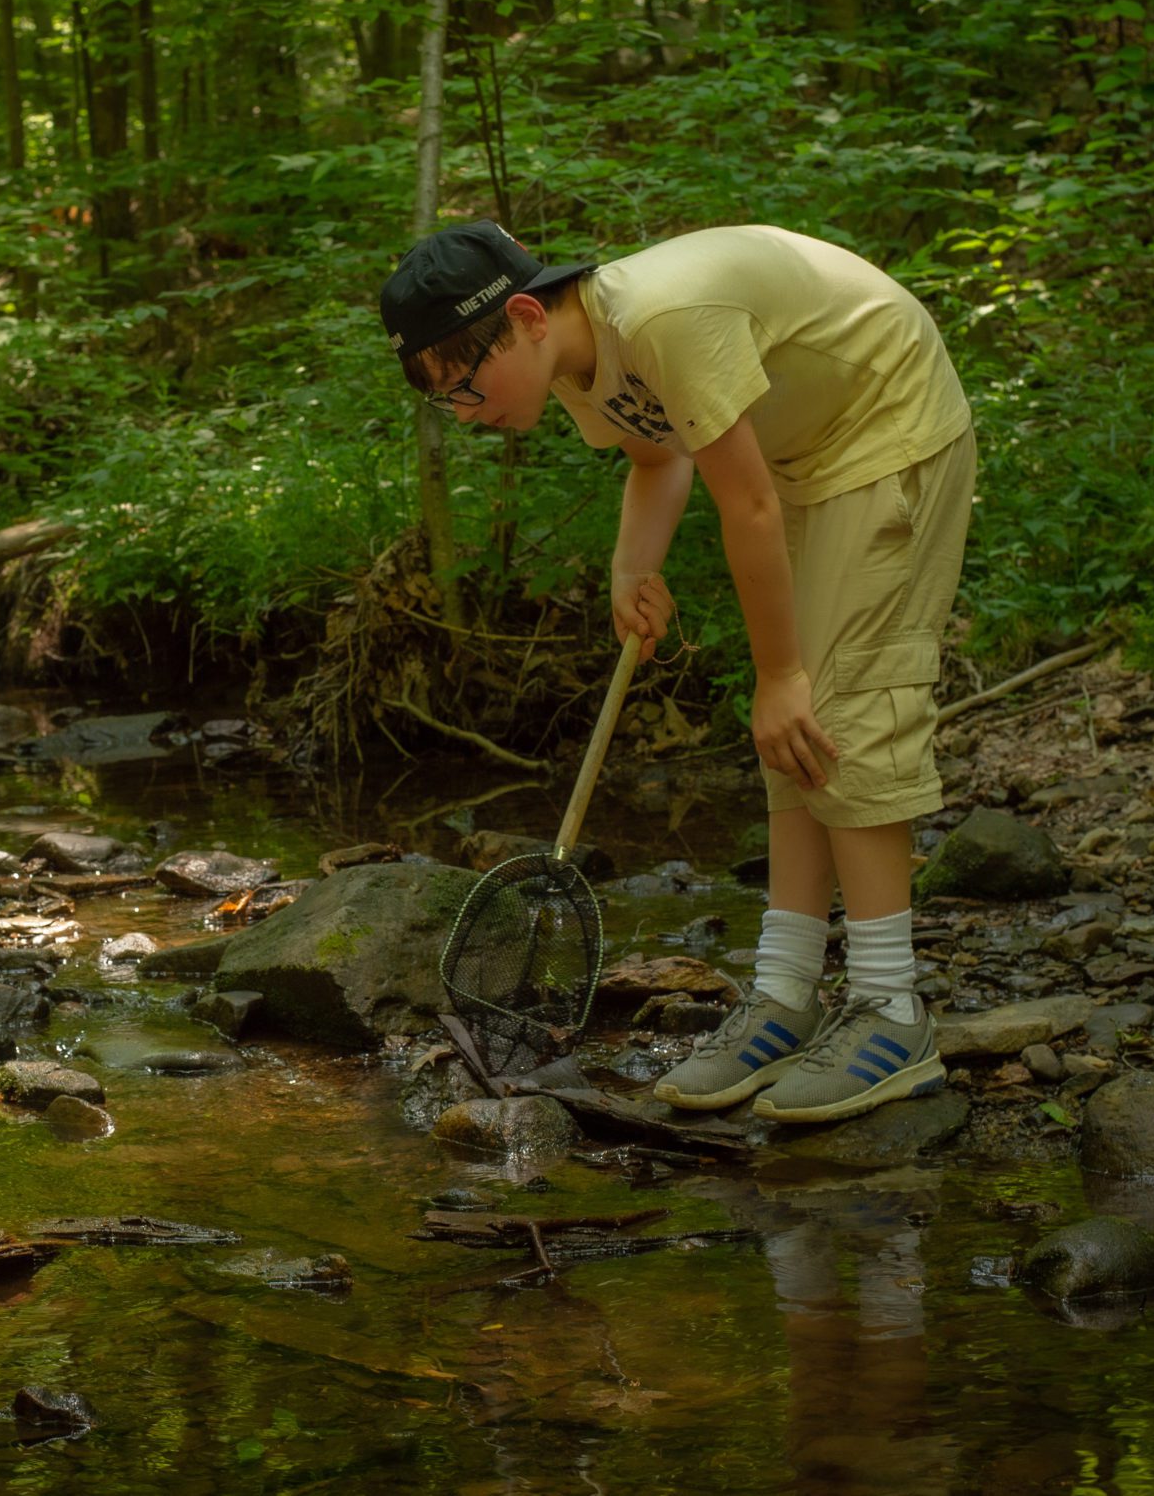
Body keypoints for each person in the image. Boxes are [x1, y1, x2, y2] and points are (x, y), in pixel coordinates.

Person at [379, 219, 974, 1122]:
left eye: (465, 384)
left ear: (528, 317)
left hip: (887, 427)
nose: (465, 413)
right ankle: (784, 993)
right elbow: (661, 453)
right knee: (790, 733)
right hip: (808, 458)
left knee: (838, 708)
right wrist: (633, 567)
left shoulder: (659, 320)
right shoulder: (579, 364)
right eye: (443, 401)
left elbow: (749, 504)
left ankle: (893, 1012)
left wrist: (778, 673)